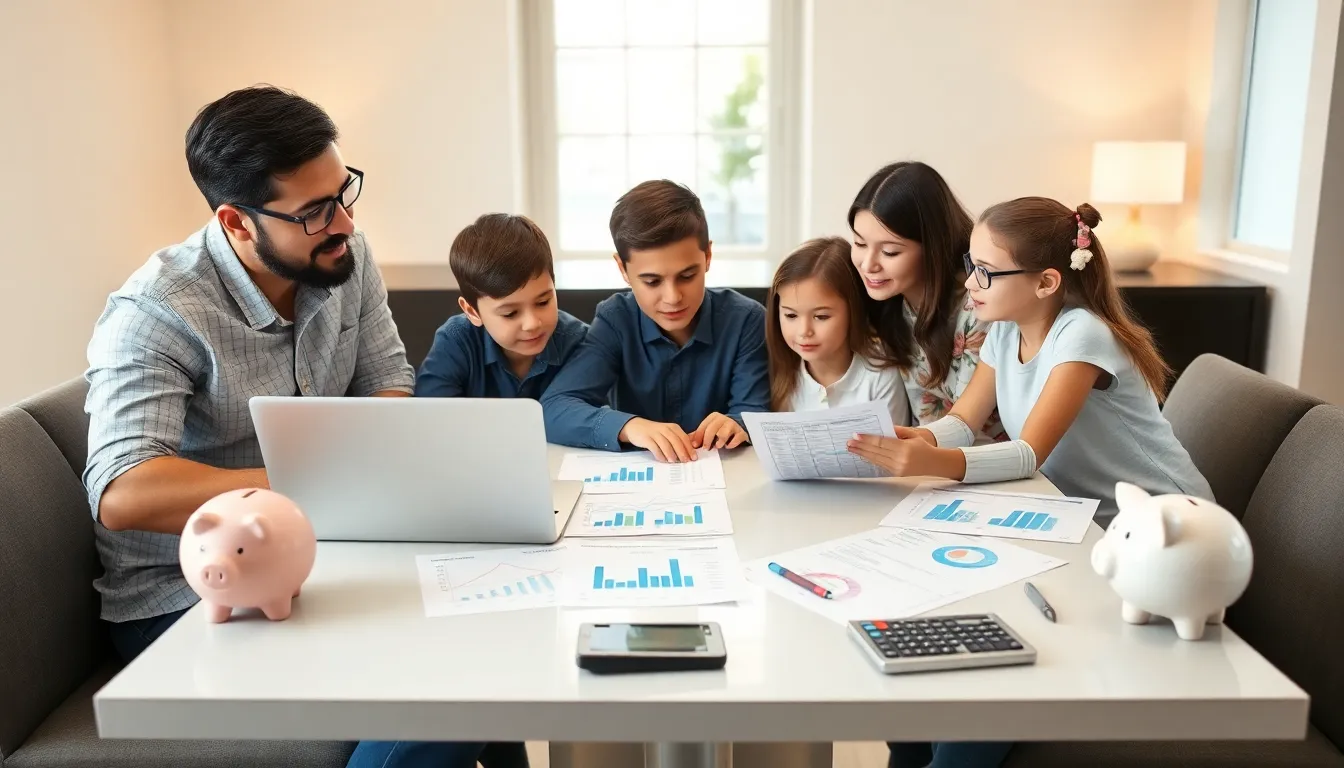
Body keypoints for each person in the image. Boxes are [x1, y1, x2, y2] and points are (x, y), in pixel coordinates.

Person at [82, 85, 522, 768]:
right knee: (464, 686)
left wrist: (366, 478)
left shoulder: (344, 257)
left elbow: (388, 379)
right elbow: (124, 491)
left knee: (501, 631)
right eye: (315, 212)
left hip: (335, 549)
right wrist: (313, 490)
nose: (344, 223)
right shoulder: (156, 310)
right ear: (236, 222)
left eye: (345, 192)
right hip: (190, 595)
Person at [846, 198, 1211, 520]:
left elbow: (1028, 455)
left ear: (1046, 283)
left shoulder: (1081, 335)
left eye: (985, 272)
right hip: (1084, 515)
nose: (970, 283)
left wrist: (931, 462)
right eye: (971, 265)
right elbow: (963, 421)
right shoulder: (1006, 329)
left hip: (1167, 519)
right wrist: (922, 437)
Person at [541, 180, 769, 462]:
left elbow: (755, 410)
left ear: (708, 256)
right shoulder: (615, 320)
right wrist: (629, 426)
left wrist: (739, 424)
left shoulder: (747, 320)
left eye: (687, 276)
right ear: (622, 269)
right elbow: (553, 408)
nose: (673, 297)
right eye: (652, 281)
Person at [849, 161, 1006, 443]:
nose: (868, 264)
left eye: (889, 251)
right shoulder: (893, 304)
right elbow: (928, 413)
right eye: (859, 244)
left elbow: (967, 425)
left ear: (933, 248)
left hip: (995, 461)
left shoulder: (979, 305)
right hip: (938, 462)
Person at [415, 213, 587, 399]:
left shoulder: (581, 343)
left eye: (543, 302)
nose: (532, 324)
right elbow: (430, 417)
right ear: (472, 311)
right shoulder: (457, 340)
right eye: (510, 313)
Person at [765, 236, 909, 426]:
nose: (804, 331)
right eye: (791, 316)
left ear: (853, 311)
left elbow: (894, 450)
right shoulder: (778, 374)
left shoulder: (881, 374)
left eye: (821, 317)